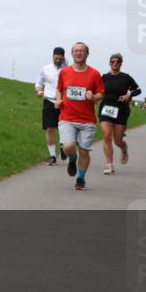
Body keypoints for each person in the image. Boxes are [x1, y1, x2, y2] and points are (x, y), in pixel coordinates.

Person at [55, 42, 104, 191]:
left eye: (82, 51)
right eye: (76, 51)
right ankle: (72, 158)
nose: (78, 53)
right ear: (72, 54)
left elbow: (101, 94)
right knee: (68, 146)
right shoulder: (64, 72)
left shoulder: (95, 74)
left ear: (87, 54)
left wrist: (93, 97)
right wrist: (58, 99)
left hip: (87, 120)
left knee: (84, 152)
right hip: (67, 117)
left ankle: (81, 178)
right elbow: (59, 89)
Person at [98, 53, 141, 174]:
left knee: (117, 140)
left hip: (121, 110)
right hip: (106, 108)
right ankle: (109, 165)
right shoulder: (104, 77)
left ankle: (123, 148)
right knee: (107, 136)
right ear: (109, 63)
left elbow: (137, 90)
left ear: (121, 63)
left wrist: (129, 95)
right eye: (112, 61)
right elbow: (98, 90)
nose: (115, 63)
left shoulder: (125, 77)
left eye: (117, 61)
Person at [35, 47, 67, 166]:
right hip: (49, 101)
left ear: (63, 57)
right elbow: (38, 82)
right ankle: (52, 156)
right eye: (56, 58)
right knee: (50, 128)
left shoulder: (68, 69)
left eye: (60, 58)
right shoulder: (45, 69)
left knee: (63, 128)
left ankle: (63, 147)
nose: (58, 60)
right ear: (53, 56)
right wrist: (38, 90)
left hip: (64, 102)